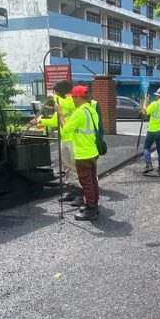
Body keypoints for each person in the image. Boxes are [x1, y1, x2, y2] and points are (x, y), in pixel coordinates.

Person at [32, 80, 84, 206]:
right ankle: (71, 191)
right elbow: (54, 121)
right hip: (64, 140)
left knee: (75, 168)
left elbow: (67, 104)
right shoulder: (61, 104)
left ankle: (79, 194)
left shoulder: (73, 101)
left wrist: (53, 97)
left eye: (56, 91)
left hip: (74, 141)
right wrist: (40, 122)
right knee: (67, 168)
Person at [60, 85, 101, 221]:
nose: (72, 100)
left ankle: (90, 208)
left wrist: (60, 114)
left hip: (82, 154)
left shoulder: (79, 112)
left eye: (73, 97)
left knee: (86, 182)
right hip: (92, 151)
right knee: (93, 181)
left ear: (78, 97)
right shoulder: (91, 110)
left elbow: (65, 130)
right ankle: (94, 204)